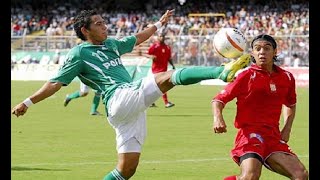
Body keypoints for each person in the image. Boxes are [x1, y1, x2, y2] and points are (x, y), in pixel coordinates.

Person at [11, 9, 250, 180]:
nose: (105, 26)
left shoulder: (111, 44)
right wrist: (27, 102)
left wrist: (159, 24)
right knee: (167, 77)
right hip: (118, 97)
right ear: (85, 30)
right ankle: (223, 71)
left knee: (126, 170)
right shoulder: (78, 53)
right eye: (99, 24)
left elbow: (138, 38)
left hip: (127, 110)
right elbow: (55, 83)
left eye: (105, 22)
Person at [211, 34, 308, 180]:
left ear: (275, 52)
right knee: (250, 176)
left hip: (273, 137)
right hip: (250, 134)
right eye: (258, 48)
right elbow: (218, 100)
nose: (262, 52)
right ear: (252, 53)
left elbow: (290, 104)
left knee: (301, 175)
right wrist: (217, 118)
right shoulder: (245, 75)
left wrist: (287, 129)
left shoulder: (286, 77)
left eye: (267, 48)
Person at [147, 33, 175, 108]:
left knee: (157, 86)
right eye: (160, 36)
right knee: (162, 86)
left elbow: (169, 58)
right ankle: (166, 103)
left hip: (164, 70)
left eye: (163, 36)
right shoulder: (154, 46)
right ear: (158, 37)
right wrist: (151, 57)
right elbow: (148, 54)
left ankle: (151, 102)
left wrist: (172, 65)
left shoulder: (167, 48)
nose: (161, 37)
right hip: (155, 70)